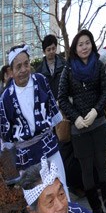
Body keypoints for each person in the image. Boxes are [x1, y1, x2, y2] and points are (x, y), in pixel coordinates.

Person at [58, 30, 106, 213]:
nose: (84, 47)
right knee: (86, 169)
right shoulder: (68, 69)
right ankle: (96, 209)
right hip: (79, 128)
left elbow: (105, 90)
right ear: (75, 49)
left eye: (87, 43)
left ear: (91, 44)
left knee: (101, 165)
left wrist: (95, 111)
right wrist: (75, 117)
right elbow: (61, 98)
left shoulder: (99, 65)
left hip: (98, 122)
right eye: (80, 44)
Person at [1, 45, 68, 190]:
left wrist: (57, 122)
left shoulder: (40, 80)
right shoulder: (5, 98)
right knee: (36, 197)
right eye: (18, 66)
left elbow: (51, 104)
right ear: (11, 71)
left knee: (60, 187)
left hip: (48, 144)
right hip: (26, 154)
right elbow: (6, 129)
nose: (24, 69)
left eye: (26, 64)